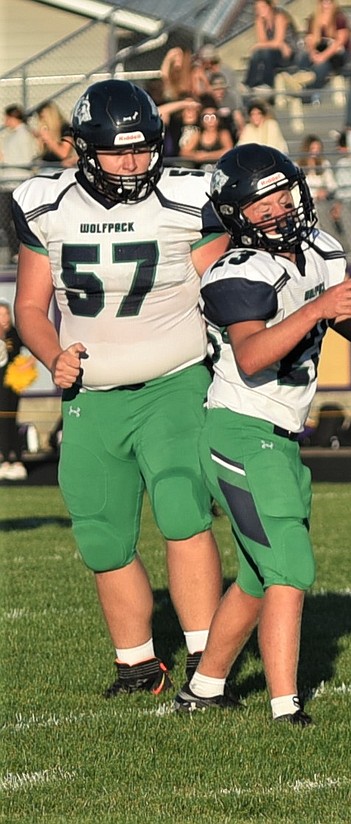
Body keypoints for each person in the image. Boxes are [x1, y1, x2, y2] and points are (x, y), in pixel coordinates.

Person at [176, 145, 351, 724]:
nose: (280, 208)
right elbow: (253, 356)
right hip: (239, 429)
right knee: (290, 568)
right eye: (263, 202)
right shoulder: (237, 271)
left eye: (284, 193)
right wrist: (315, 309)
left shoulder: (320, 251)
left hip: (279, 435)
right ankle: (286, 706)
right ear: (236, 214)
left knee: (258, 574)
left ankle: (205, 687)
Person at [12, 79, 229, 696]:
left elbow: (224, 281)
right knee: (101, 531)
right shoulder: (44, 203)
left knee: (183, 507)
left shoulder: (189, 196)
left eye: (142, 149)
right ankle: (136, 662)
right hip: (91, 389)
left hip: (175, 378)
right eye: (116, 151)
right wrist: (53, 355)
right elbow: (30, 304)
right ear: (84, 148)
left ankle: (205, 657)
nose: (132, 163)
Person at [2, 104, 41, 262]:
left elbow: (22, 158)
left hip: (16, 182)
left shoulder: (23, 135)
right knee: (7, 220)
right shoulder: (15, 135)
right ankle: (15, 250)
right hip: (10, 182)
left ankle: (18, 249)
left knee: (13, 219)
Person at [296, 0, 351, 91]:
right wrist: (312, 53)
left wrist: (323, 56)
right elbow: (309, 40)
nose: (326, 5)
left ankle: (309, 90)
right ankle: (299, 81)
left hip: (337, 53)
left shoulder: (339, 18)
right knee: (303, 58)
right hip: (319, 50)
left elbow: (340, 41)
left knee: (321, 66)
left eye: (329, 2)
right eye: (323, 2)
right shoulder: (313, 19)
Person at [0, 301, 28, 481]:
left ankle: (16, 459)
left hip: (12, 387)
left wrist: (27, 367)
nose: (3, 319)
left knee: (10, 420)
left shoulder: (15, 334)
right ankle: (3, 459)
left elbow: (30, 352)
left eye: (5, 314)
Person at [245, 0, 299, 91]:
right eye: (258, 8)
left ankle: (267, 84)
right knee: (258, 53)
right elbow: (263, 42)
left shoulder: (279, 17)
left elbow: (277, 42)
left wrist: (261, 45)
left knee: (264, 52)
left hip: (288, 54)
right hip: (273, 52)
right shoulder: (260, 21)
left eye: (263, 7)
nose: (260, 10)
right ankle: (249, 84)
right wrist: (274, 44)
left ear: (270, 7)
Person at [299, 134, 339, 238]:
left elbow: (332, 185)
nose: (315, 152)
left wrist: (325, 191)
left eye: (318, 149)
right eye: (313, 148)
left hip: (321, 201)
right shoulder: (297, 166)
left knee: (320, 209)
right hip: (305, 202)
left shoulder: (324, 164)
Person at [179, 104, 235, 170]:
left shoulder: (223, 133)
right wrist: (195, 156)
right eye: (206, 117)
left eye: (213, 117)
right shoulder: (198, 134)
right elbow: (184, 152)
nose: (210, 121)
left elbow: (228, 150)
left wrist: (207, 155)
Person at [33, 101, 77, 168]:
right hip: (46, 166)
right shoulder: (48, 129)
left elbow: (64, 153)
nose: (41, 121)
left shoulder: (65, 128)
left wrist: (49, 140)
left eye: (43, 117)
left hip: (59, 168)